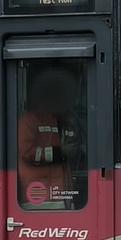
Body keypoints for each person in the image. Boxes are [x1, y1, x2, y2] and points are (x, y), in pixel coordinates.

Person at [18, 68, 81, 207]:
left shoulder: (67, 122)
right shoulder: (28, 121)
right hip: (38, 198)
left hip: (64, 195)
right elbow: (26, 152)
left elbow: (76, 154)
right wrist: (61, 152)